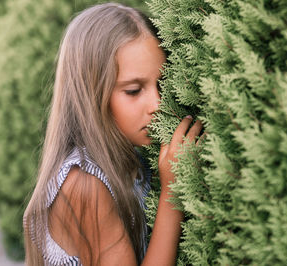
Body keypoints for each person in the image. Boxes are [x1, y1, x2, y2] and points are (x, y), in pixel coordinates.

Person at [23, 2, 203, 266]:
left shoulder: (130, 157)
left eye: (160, 85)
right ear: (91, 96)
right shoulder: (84, 184)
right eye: (133, 90)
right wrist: (172, 192)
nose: (157, 104)